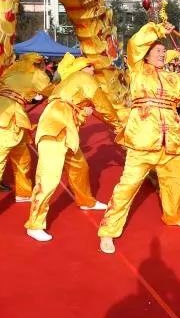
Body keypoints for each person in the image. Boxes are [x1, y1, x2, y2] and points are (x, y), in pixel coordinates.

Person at [97, 22, 180, 254]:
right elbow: (134, 43)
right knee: (127, 187)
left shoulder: (173, 78)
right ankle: (108, 231)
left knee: (177, 181)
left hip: (171, 142)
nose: (161, 54)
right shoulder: (137, 70)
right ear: (146, 55)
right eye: (157, 50)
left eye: (163, 51)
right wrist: (159, 30)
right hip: (142, 141)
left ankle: (172, 215)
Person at [24, 54, 120, 242]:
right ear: (80, 69)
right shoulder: (83, 78)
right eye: (89, 66)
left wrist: (84, 112)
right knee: (48, 178)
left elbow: (78, 109)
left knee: (80, 167)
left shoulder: (71, 84)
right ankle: (35, 224)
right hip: (55, 127)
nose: (93, 70)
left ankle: (86, 201)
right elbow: (103, 104)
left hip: (66, 129)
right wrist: (118, 124)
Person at [0, 53, 52, 227]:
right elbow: (54, 92)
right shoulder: (37, 75)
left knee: (23, 158)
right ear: (39, 65)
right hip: (5, 123)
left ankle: (23, 193)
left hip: (6, 119)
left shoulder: (11, 72)